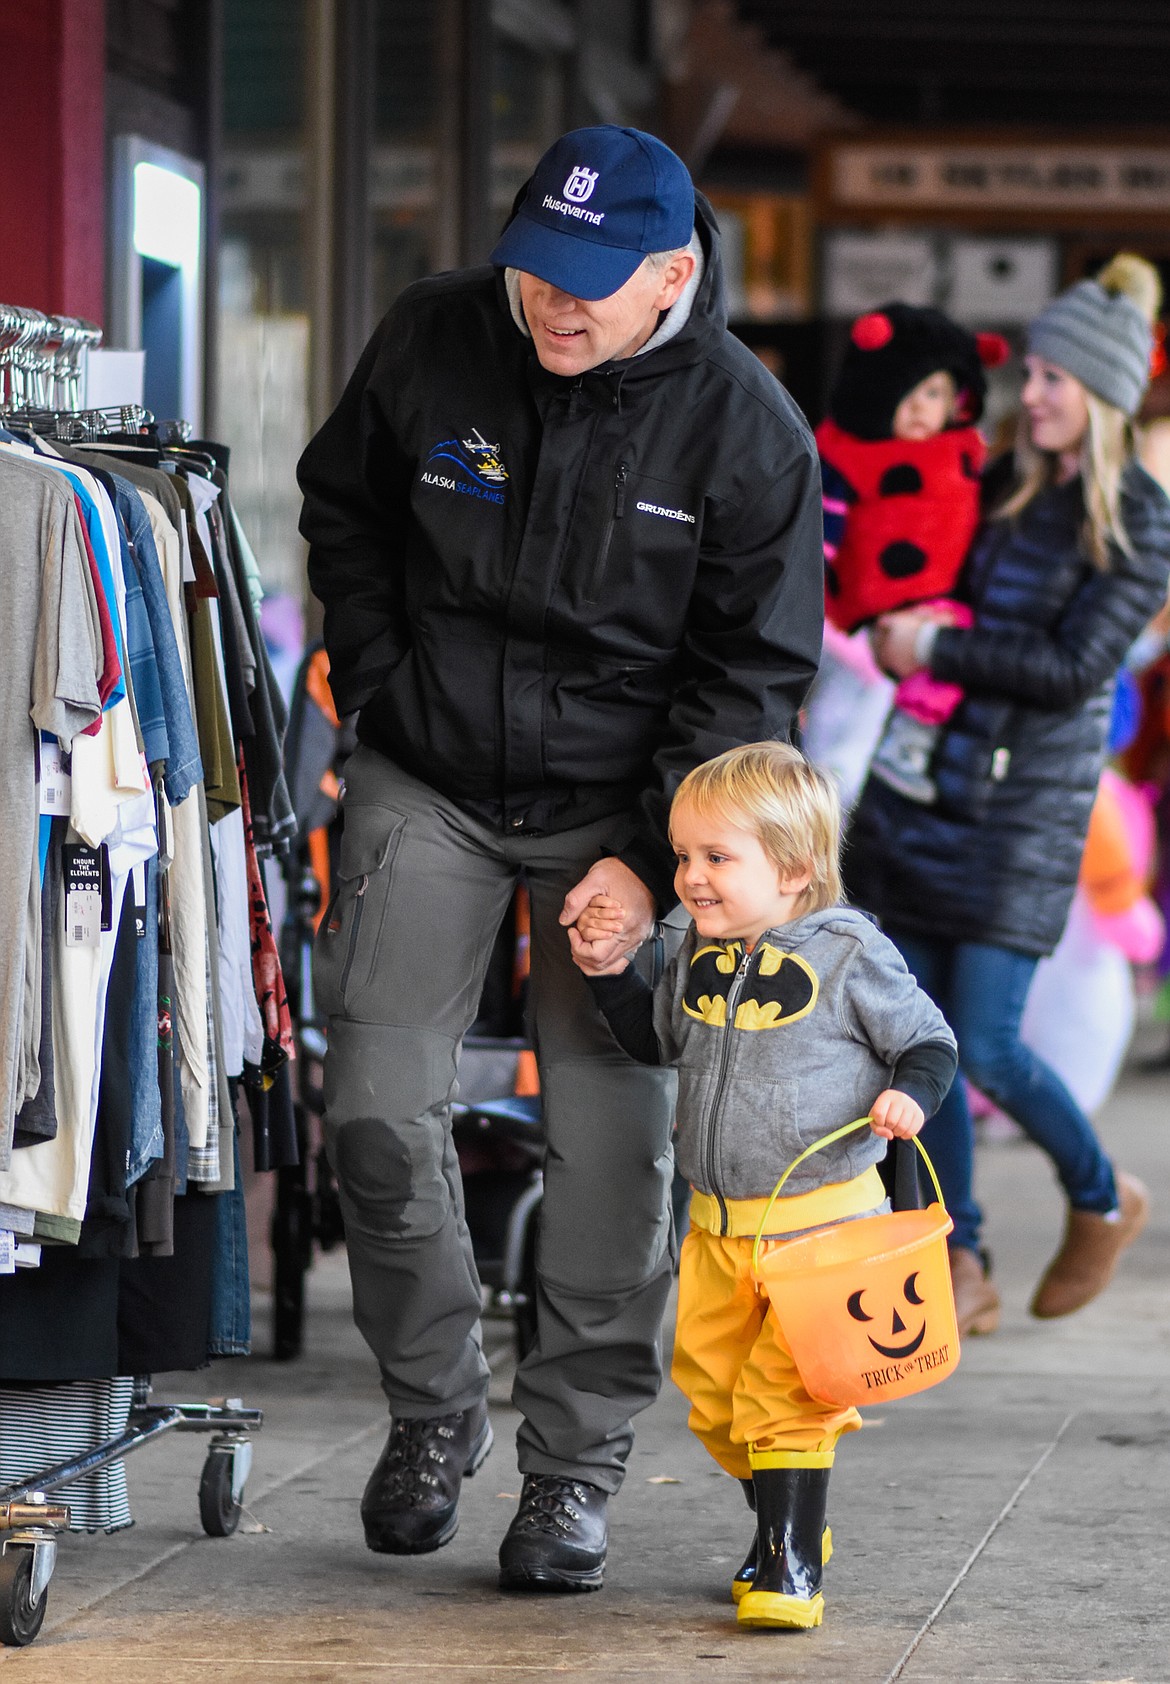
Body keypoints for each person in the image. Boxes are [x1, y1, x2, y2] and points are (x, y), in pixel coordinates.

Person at [296, 125, 824, 1592]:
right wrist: (380, 677)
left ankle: (573, 1471)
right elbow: (341, 510)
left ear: (673, 270)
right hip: (432, 772)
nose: (555, 305)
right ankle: (431, 1414)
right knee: (378, 1107)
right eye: (536, 270)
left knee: (616, 1154)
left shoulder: (745, 430)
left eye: (592, 283)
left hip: (625, 812)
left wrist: (659, 863)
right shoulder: (434, 336)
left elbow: (754, 676)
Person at [845, 253, 1170, 1336]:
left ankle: (1100, 1193)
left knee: (985, 1044)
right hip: (923, 791)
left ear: (1105, 393)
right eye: (1029, 374)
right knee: (925, 1043)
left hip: (1018, 817)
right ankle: (960, 1257)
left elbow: (1075, 668)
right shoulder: (999, 488)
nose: (1028, 394)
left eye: (1052, 379)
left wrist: (941, 638)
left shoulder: (1138, 520)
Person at [571, 742, 957, 1629]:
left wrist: (909, 1094)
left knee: (785, 1399)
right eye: (683, 856)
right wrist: (606, 978)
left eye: (717, 858)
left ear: (794, 870)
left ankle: (788, 1565)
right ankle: (796, 1519)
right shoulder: (700, 952)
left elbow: (928, 1041)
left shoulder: (850, 949)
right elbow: (656, 1042)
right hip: (715, 1228)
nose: (691, 878)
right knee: (715, 1401)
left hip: (824, 1231)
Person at [817, 304, 1008, 803]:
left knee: (928, 693)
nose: (923, 407)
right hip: (849, 625)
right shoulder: (849, 455)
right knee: (836, 740)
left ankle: (908, 747)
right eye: (912, 391)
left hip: (934, 611)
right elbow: (823, 526)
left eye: (937, 393)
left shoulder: (964, 452)